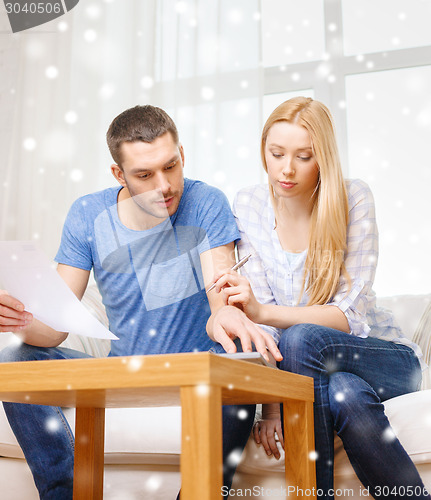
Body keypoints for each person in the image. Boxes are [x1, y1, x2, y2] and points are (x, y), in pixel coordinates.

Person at [0, 104, 281, 499]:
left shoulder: (206, 202)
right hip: (125, 374)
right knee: (15, 361)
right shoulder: (88, 214)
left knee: (235, 376)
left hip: (200, 374)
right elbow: (54, 327)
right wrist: (18, 317)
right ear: (119, 174)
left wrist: (225, 314)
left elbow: (220, 294)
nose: (163, 186)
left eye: (170, 167)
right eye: (144, 175)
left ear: (182, 155)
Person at [212, 97, 430, 500]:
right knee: (343, 393)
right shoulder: (249, 204)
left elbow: (349, 316)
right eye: (276, 153)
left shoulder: (353, 198)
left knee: (302, 337)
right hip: (318, 370)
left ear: (323, 157)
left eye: (303, 156)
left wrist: (261, 309)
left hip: (382, 358)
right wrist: (272, 407)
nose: (286, 169)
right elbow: (259, 328)